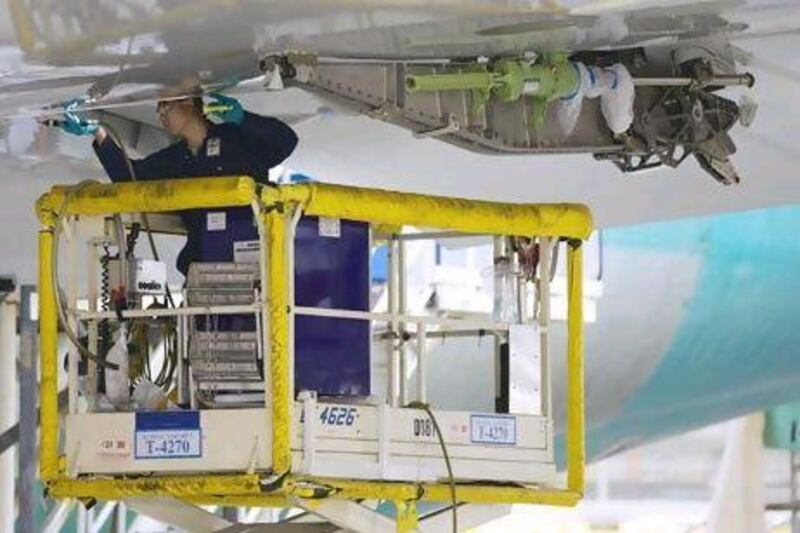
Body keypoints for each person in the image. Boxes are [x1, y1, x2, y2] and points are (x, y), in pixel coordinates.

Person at [60, 93, 299, 274]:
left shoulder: (236, 140)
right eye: (158, 110)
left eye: (165, 107)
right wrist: (97, 132)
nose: (160, 115)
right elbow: (130, 177)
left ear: (190, 106)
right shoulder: (176, 157)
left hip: (251, 258)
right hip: (202, 264)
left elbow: (286, 141)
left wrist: (243, 119)